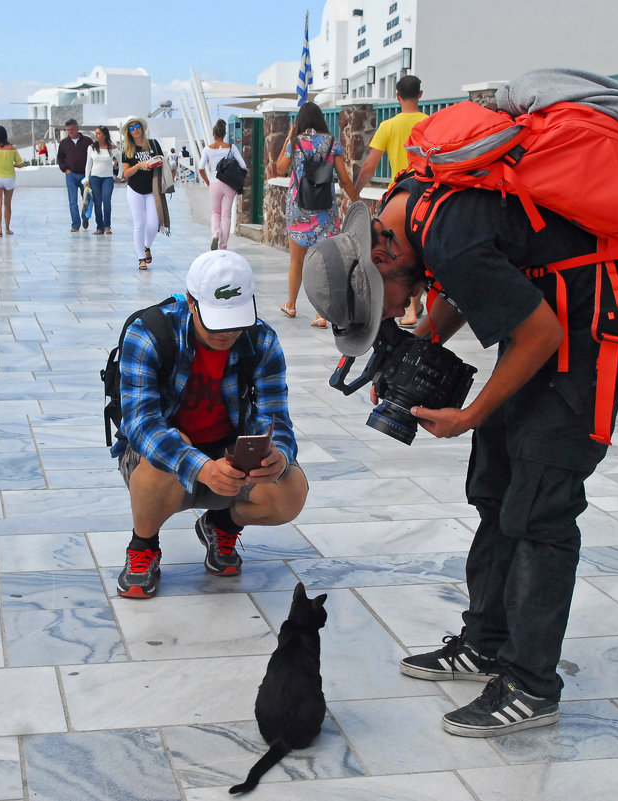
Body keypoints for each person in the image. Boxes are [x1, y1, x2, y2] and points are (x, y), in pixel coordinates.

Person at [301, 177, 618, 736]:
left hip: (581, 337)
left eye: (377, 307)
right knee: (494, 486)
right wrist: (411, 351)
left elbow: (542, 333)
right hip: (539, 318)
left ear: (380, 256)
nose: (388, 316)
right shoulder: (406, 218)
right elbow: (463, 290)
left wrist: (471, 414)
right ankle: (486, 643)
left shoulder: (447, 235)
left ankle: (532, 686)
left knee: (540, 510)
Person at [112, 250, 309, 599]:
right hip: (162, 461)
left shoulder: (261, 339)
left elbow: (275, 416)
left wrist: (279, 454)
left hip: (229, 456)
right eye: (217, 321)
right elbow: (141, 426)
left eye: (236, 320)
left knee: (290, 488)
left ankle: (222, 525)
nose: (228, 332)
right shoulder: (148, 334)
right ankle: (143, 545)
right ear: (190, 302)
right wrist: (200, 467)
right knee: (167, 451)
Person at [353, 74, 429, 327]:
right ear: (420, 95)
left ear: (397, 96)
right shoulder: (429, 122)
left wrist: (355, 193)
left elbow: (370, 166)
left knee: (400, 255)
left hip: (398, 196)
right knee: (421, 254)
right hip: (428, 197)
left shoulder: (388, 126)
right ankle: (413, 309)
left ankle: (407, 307)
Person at [275, 101, 359, 327]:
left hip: (298, 208)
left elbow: (280, 168)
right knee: (324, 261)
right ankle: (322, 314)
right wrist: (357, 201)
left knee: (297, 260)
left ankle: (291, 305)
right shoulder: (332, 144)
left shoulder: (296, 142)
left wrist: (288, 138)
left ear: (300, 122)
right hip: (325, 210)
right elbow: (344, 179)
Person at [120, 117, 165, 271]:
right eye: (131, 128)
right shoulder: (127, 151)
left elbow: (161, 160)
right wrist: (139, 165)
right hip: (135, 189)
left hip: (152, 189)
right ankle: (141, 258)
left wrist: (153, 163)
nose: (135, 129)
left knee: (153, 224)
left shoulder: (153, 144)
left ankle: (147, 246)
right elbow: (126, 174)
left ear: (142, 128)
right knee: (139, 224)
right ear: (128, 132)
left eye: (137, 126)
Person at [197, 119, 247, 251]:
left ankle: (215, 234)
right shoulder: (232, 148)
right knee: (226, 215)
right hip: (229, 184)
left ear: (213, 134)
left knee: (215, 212)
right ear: (224, 134)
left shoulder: (207, 149)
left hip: (214, 183)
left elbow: (200, 168)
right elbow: (243, 166)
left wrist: (208, 182)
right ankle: (223, 246)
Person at [0, 125, 23, 237]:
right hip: (9, 179)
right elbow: (20, 164)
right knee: (7, 204)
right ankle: (7, 228)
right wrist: (13, 166)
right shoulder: (12, 149)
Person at [57, 119, 93, 232]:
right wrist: (65, 169)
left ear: (77, 128)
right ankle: (75, 224)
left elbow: (93, 156)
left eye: (72, 129)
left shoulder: (87, 141)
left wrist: (90, 172)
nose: (70, 132)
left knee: (87, 199)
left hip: (85, 175)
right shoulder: (64, 143)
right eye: (68, 130)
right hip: (71, 175)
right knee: (72, 201)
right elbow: (60, 158)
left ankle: (85, 218)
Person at [84, 125, 118, 236]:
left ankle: (107, 225)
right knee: (97, 203)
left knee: (106, 201)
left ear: (104, 135)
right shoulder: (91, 148)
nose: (96, 135)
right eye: (96, 133)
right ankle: (100, 227)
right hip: (95, 178)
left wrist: (120, 175)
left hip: (108, 178)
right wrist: (87, 179)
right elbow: (88, 164)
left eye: (98, 133)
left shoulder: (112, 148)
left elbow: (121, 162)